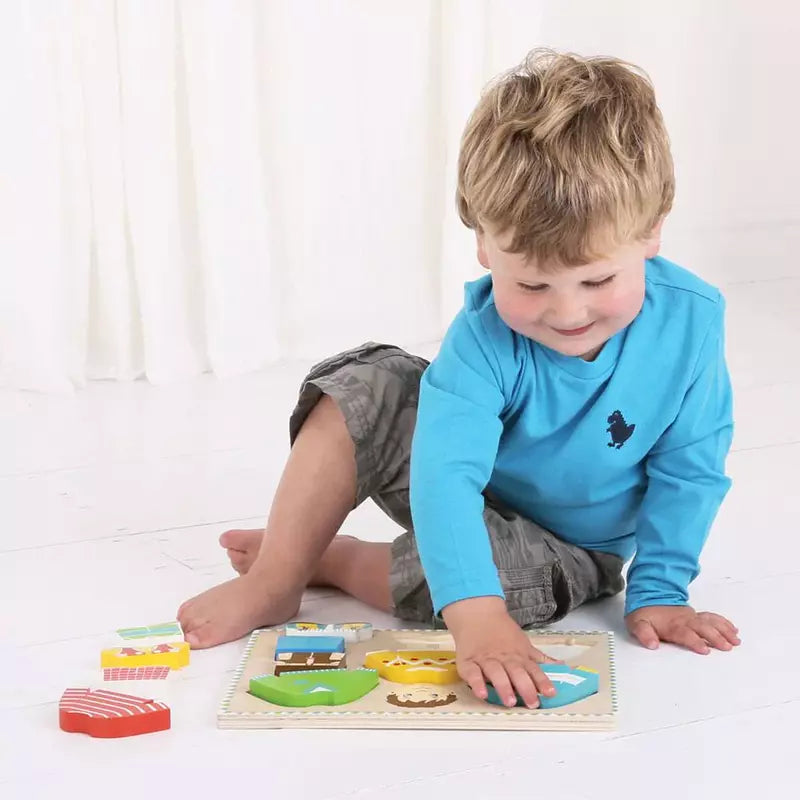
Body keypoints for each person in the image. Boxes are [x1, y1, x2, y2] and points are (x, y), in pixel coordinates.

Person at [177, 48, 741, 708]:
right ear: (483, 244)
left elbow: (690, 469)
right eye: (531, 283)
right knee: (366, 383)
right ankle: (278, 574)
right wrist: (475, 619)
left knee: (491, 580)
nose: (567, 312)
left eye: (597, 280)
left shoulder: (691, 324)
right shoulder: (482, 340)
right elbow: (445, 476)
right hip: (465, 487)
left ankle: (337, 560)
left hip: (573, 546)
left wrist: (662, 591)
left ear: (650, 232)